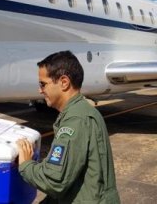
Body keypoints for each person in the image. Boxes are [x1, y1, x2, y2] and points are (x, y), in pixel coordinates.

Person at [16, 51, 120, 203]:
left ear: (64, 82)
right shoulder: (82, 111)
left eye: (43, 84)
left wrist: (26, 165)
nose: (40, 90)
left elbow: (54, 181)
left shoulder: (75, 121)